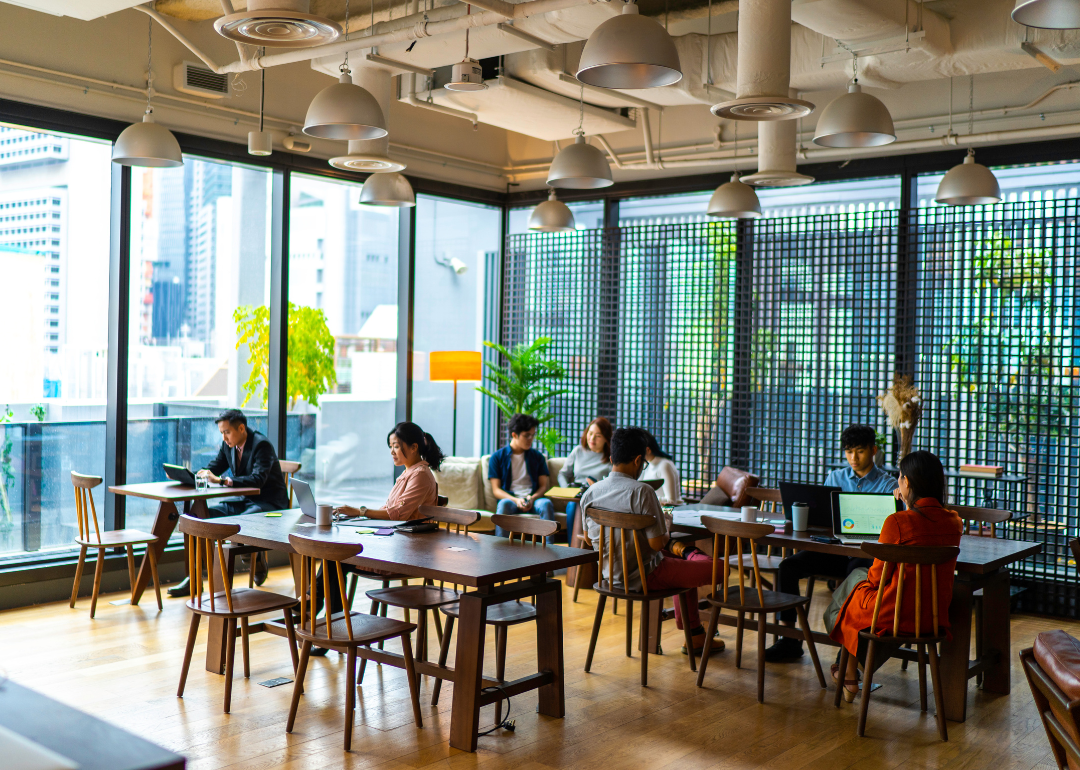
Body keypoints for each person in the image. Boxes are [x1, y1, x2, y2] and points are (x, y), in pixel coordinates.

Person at [825, 450, 963, 701]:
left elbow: (876, 579)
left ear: (907, 482)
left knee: (853, 586)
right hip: (932, 616)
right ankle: (850, 670)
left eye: (900, 477)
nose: (897, 481)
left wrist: (905, 507)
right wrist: (908, 504)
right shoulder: (955, 522)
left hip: (895, 615)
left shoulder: (897, 522)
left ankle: (848, 669)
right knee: (858, 580)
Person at [580, 427, 724, 655]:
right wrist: (665, 527)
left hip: (609, 576)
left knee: (681, 572)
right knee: (719, 569)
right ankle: (686, 551)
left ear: (611, 458)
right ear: (638, 460)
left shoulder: (590, 493)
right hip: (646, 575)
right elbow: (657, 544)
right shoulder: (643, 492)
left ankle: (695, 636)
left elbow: (589, 540)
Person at [764, 424, 898, 662]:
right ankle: (789, 639)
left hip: (865, 553)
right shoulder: (834, 478)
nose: (853, 458)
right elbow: (825, 518)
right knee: (788, 567)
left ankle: (846, 649)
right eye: (848, 452)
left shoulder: (888, 485)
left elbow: (890, 529)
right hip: (834, 550)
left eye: (859, 451)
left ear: (874, 450)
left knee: (855, 574)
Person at [308, 422, 444, 636]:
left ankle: (320, 614)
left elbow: (396, 514)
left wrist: (360, 512)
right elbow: (390, 510)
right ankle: (326, 620)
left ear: (414, 447)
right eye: (391, 446)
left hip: (404, 554)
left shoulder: (420, 475)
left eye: (397, 446)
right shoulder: (409, 473)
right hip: (394, 543)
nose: (392, 452)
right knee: (333, 558)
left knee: (335, 559)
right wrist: (356, 515)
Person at [168, 409, 289, 597]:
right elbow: (213, 468)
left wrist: (223, 481)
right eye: (222, 433)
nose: (224, 438)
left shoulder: (261, 445)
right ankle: (194, 578)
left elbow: (258, 479)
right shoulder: (228, 446)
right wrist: (190, 476)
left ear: (241, 428)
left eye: (227, 432)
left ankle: (252, 559)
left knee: (240, 523)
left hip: (269, 503)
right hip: (244, 501)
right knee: (195, 518)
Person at [488, 413, 556, 539]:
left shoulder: (538, 457)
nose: (531, 439)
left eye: (532, 435)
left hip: (533, 500)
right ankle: (500, 551)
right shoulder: (497, 457)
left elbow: (543, 487)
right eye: (526, 435)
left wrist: (532, 498)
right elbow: (496, 490)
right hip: (511, 500)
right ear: (514, 435)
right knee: (503, 505)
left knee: (546, 504)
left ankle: (550, 551)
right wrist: (516, 500)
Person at [559, 417, 613, 544]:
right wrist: (566, 490)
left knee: (582, 507)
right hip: (576, 496)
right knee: (574, 505)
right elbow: (562, 474)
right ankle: (573, 549)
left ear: (606, 438)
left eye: (598, 435)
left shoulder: (611, 458)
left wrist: (597, 484)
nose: (592, 439)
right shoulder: (578, 451)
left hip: (597, 499)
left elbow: (612, 481)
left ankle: (581, 551)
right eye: (590, 433)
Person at [640, 431, 684, 505]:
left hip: (671, 511)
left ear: (648, 450)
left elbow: (671, 500)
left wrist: (646, 497)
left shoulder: (664, 465)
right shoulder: (647, 464)